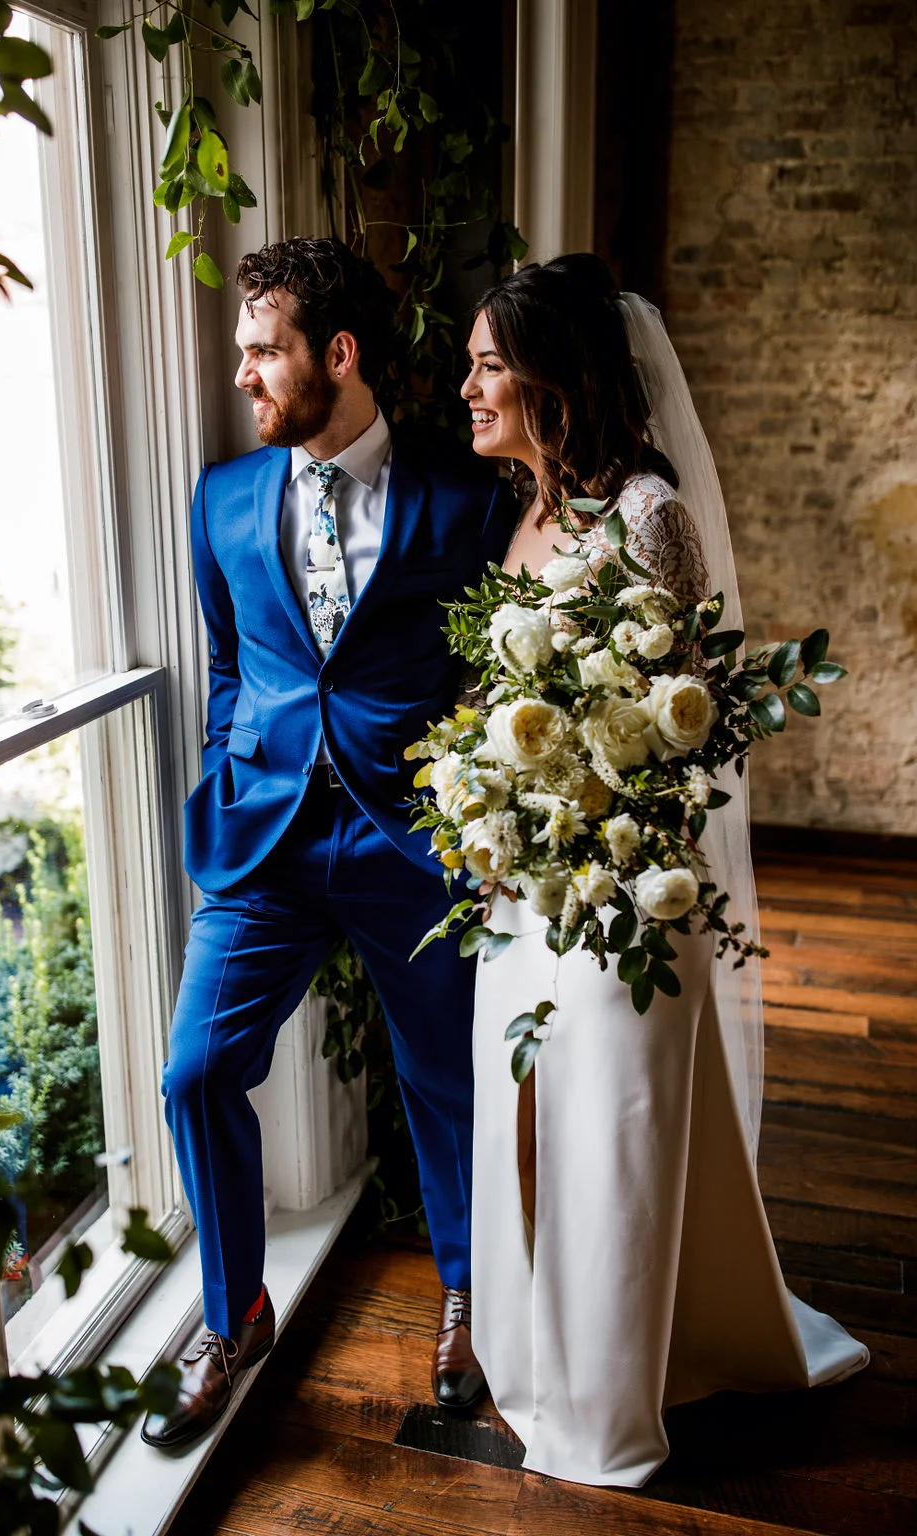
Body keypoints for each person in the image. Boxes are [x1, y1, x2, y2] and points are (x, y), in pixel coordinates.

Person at [460, 254, 868, 1487]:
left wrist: (595, 832)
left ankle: (608, 1406)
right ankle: (549, 1351)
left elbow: (692, 726)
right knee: (527, 1119)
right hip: (523, 889)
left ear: (555, 381)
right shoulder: (528, 515)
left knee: (612, 1134)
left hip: (625, 890)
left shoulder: (649, 514)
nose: (466, 386)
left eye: (489, 365)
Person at [142, 238, 515, 1449]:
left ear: (336, 355)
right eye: (243, 352)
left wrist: (473, 813)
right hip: (263, 845)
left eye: (263, 351)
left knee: (443, 1086)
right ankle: (233, 1311)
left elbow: (490, 669)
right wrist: (225, 761)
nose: (244, 376)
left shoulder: (463, 498)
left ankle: (463, 1299)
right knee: (196, 1072)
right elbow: (227, 662)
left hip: (413, 845)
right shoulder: (221, 498)